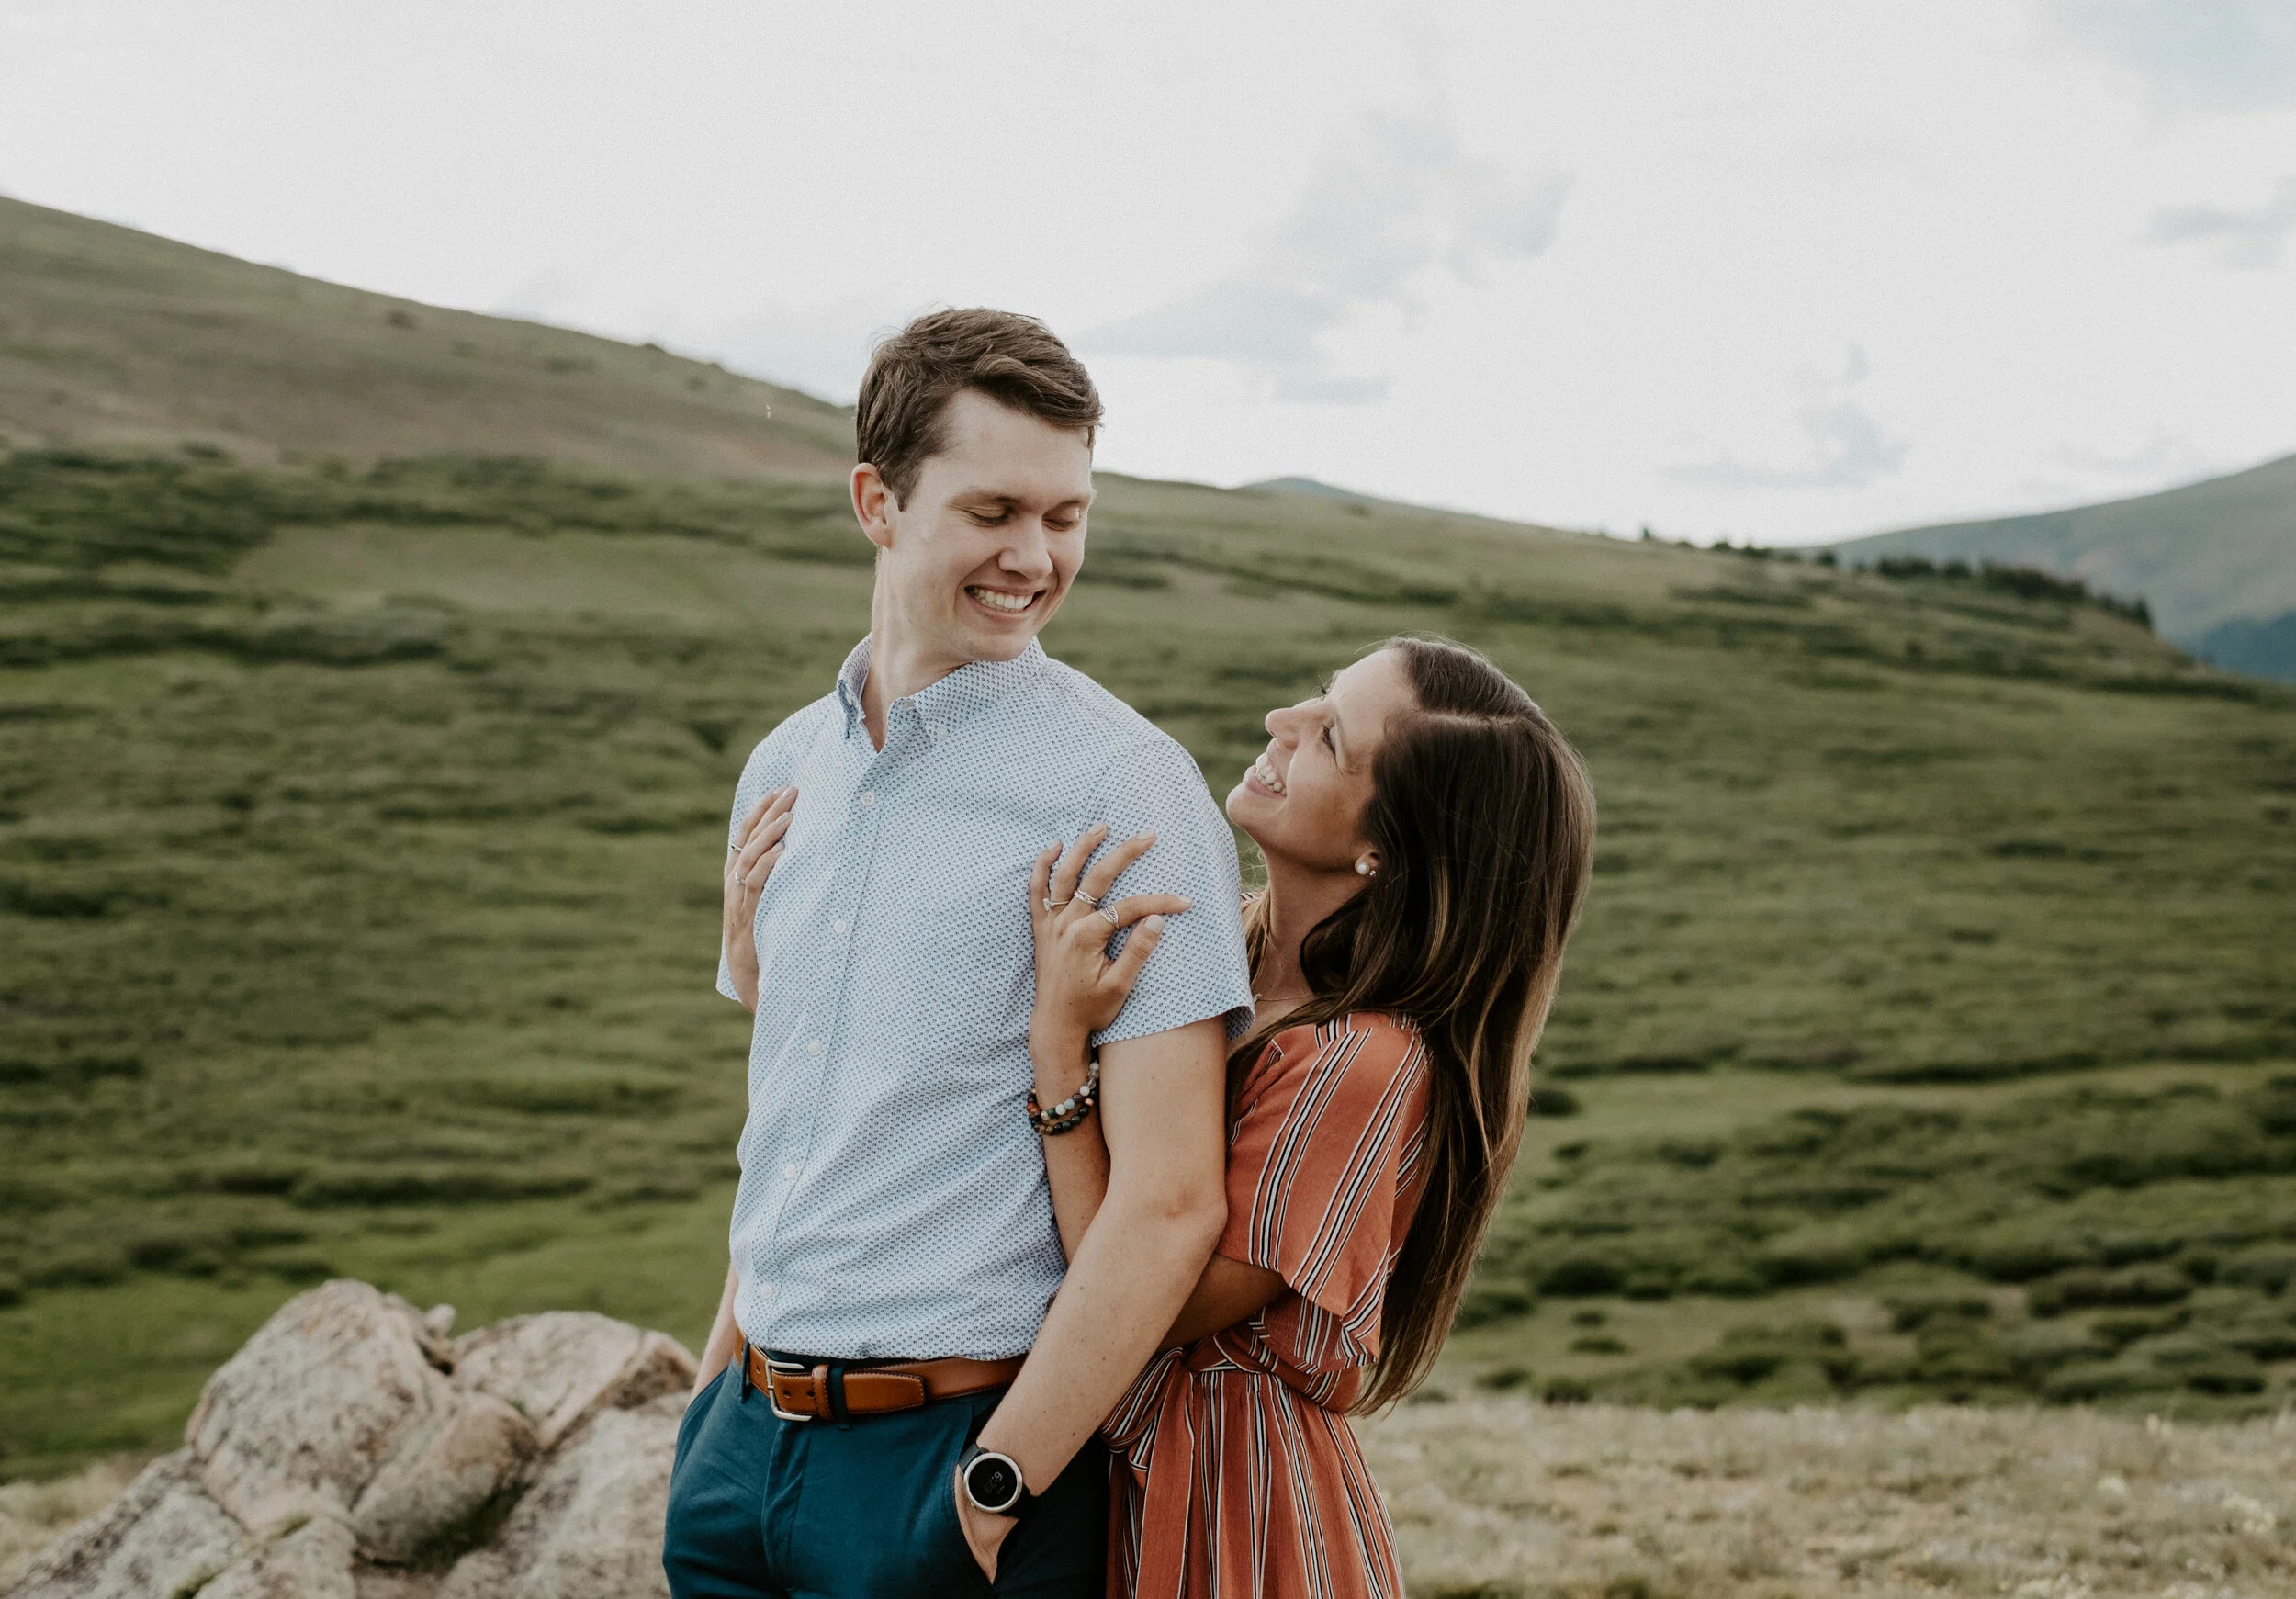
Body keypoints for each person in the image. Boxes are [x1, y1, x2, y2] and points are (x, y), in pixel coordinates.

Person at [663, 309, 1254, 1598]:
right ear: (878, 501)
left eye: (1066, 515)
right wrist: (710, 1409)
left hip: (956, 1463)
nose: (1034, 557)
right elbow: (800, 1123)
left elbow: (1170, 1201)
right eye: (994, 510)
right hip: (738, 1455)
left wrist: (998, 1483)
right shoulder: (786, 768)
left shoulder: (1123, 788)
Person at [1024, 636, 1595, 1598]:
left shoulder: (1359, 1065)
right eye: (1314, 698)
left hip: (1230, 1505)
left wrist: (1057, 1058)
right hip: (1111, 1460)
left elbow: (1142, 1302)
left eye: (1328, 736)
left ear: (1387, 845)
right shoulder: (1214, 959)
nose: (1278, 724)